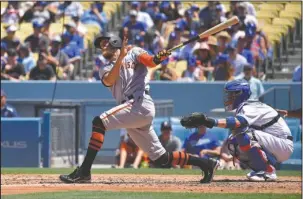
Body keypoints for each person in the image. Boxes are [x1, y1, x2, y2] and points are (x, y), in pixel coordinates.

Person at [59, 32, 219, 184]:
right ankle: (206, 163)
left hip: (139, 103)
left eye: (105, 43)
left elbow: (149, 61)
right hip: (132, 110)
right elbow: (110, 80)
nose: (103, 47)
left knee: (99, 122)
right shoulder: (104, 68)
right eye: (101, 45)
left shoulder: (134, 52)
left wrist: (158, 58)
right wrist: (120, 57)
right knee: (160, 157)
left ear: (115, 42)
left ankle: (84, 171)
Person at [180, 79, 294, 181]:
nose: (228, 97)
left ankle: (267, 170)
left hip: (283, 144)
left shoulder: (249, 106)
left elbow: (238, 123)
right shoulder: (248, 105)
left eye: (231, 94)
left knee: (240, 132)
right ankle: (263, 168)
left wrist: (209, 121)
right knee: (233, 141)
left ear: (239, 94)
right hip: (276, 144)